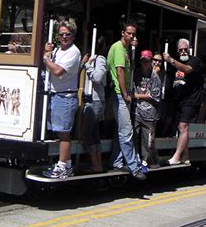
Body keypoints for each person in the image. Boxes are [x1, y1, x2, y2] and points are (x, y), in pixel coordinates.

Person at [42, 21, 81, 179]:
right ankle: (67, 165)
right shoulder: (58, 50)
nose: (64, 37)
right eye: (61, 34)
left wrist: (46, 58)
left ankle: (63, 167)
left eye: (67, 34)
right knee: (60, 132)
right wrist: (48, 54)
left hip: (65, 97)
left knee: (64, 134)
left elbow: (57, 71)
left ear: (72, 35)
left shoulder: (74, 52)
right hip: (55, 94)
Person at [107, 22, 146, 180]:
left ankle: (116, 162)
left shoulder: (126, 50)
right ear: (123, 33)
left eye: (133, 34)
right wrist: (125, 94)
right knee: (127, 131)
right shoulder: (118, 48)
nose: (132, 36)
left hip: (123, 93)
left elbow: (130, 67)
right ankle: (133, 166)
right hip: (119, 94)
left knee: (121, 131)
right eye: (129, 33)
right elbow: (120, 71)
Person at [163, 38, 203, 165]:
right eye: (181, 50)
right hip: (179, 100)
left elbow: (187, 69)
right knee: (182, 128)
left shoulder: (194, 60)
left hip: (192, 99)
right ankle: (186, 156)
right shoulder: (175, 63)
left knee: (183, 127)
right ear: (177, 50)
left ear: (189, 49)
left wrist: (171, 60)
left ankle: (176, 156)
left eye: (186, 49)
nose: (184, 52)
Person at [81, 36, 107, 173]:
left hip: (95, 101)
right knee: (94, 133)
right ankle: (98, 165)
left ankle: (96, 164)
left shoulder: (100, 59)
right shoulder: (88, 59)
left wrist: (87, 65)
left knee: (86, 133)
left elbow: (98, 78)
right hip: (89, 100)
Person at [133, 50, 161, 169]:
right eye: (143, 61)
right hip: (136, 111)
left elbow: (154, 95)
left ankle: (148, 161)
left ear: (150, 62)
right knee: (134, 135)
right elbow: (132, 90)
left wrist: (137, 96)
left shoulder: (155, 77)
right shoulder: (136, 74)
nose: (145, 63)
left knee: (147, 140)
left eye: (147, 61)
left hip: (149, 113)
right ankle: (135, 159)